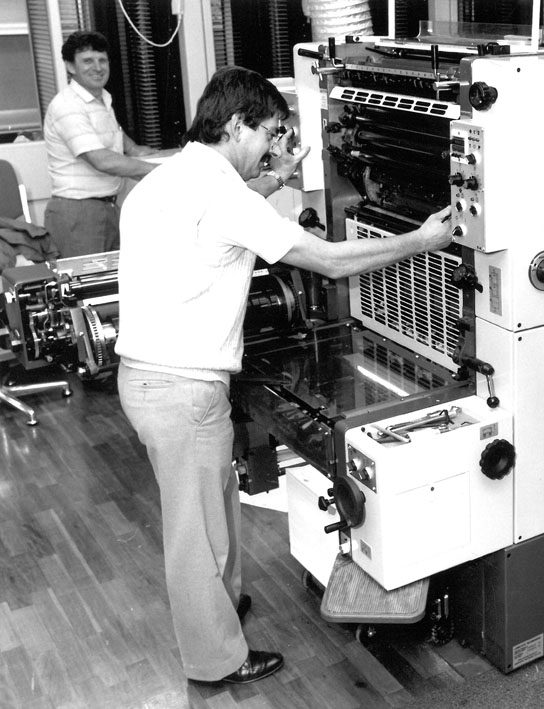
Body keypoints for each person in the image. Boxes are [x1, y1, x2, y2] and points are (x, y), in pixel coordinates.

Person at [114, 65, 452, 685]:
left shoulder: (170, 179)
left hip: (156, 379)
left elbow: (223, 222)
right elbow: (322, 259)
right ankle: (216, 659)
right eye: (270, 131)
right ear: (238, 124)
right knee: (195, 531)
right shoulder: (220, 194)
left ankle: (222, 606)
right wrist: (420, 241)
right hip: (180, 386)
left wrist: (274, 182)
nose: (274, 143)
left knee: (215, 509)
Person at [43, 31, 158, 257]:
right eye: (87, 61)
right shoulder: (67, 106)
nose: (97, 67)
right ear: (70, 66)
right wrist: (157, 171)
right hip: (79, 213)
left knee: (111, 285)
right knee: (85, 288)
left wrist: (133, 148)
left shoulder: (101, 98)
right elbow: (101, 160)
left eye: (102, 60)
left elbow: (110, 131)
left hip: (108, 207)